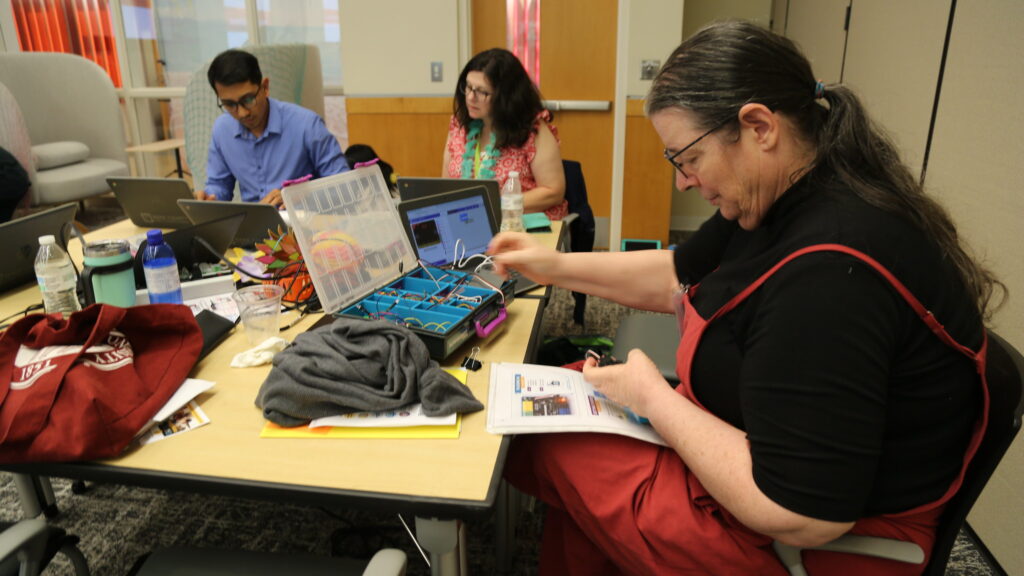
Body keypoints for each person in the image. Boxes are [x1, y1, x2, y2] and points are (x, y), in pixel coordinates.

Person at [488, 20, 1004, 575]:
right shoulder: (784, 192)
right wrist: (553, 265)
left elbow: (801, 510)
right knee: (569, 404)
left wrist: (651, 397)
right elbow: (674, 275)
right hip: (759, 453)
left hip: (814, 541)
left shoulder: (829, 274)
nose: (684, 181)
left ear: (759, 127)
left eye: (687, 157)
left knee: (547, 439)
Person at [194, 49, 348, 208]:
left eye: (248, 100)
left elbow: (344, 186)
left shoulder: (306, 124)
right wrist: (208, 198)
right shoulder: (222, 130)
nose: (242, 113)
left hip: (304, 225)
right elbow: (219, 185)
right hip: (254, 227)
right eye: (229, 104)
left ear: (265, 87)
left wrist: (298, 197)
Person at [443, 48, 567, 220]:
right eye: (468, 87)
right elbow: (445, 187)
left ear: (506, 97)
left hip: (520, 226)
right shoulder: (459, 125)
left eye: (482, 92)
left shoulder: (532, 129)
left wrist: (495, 203)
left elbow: (553, 192)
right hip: (469, 223)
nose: (471, 97)